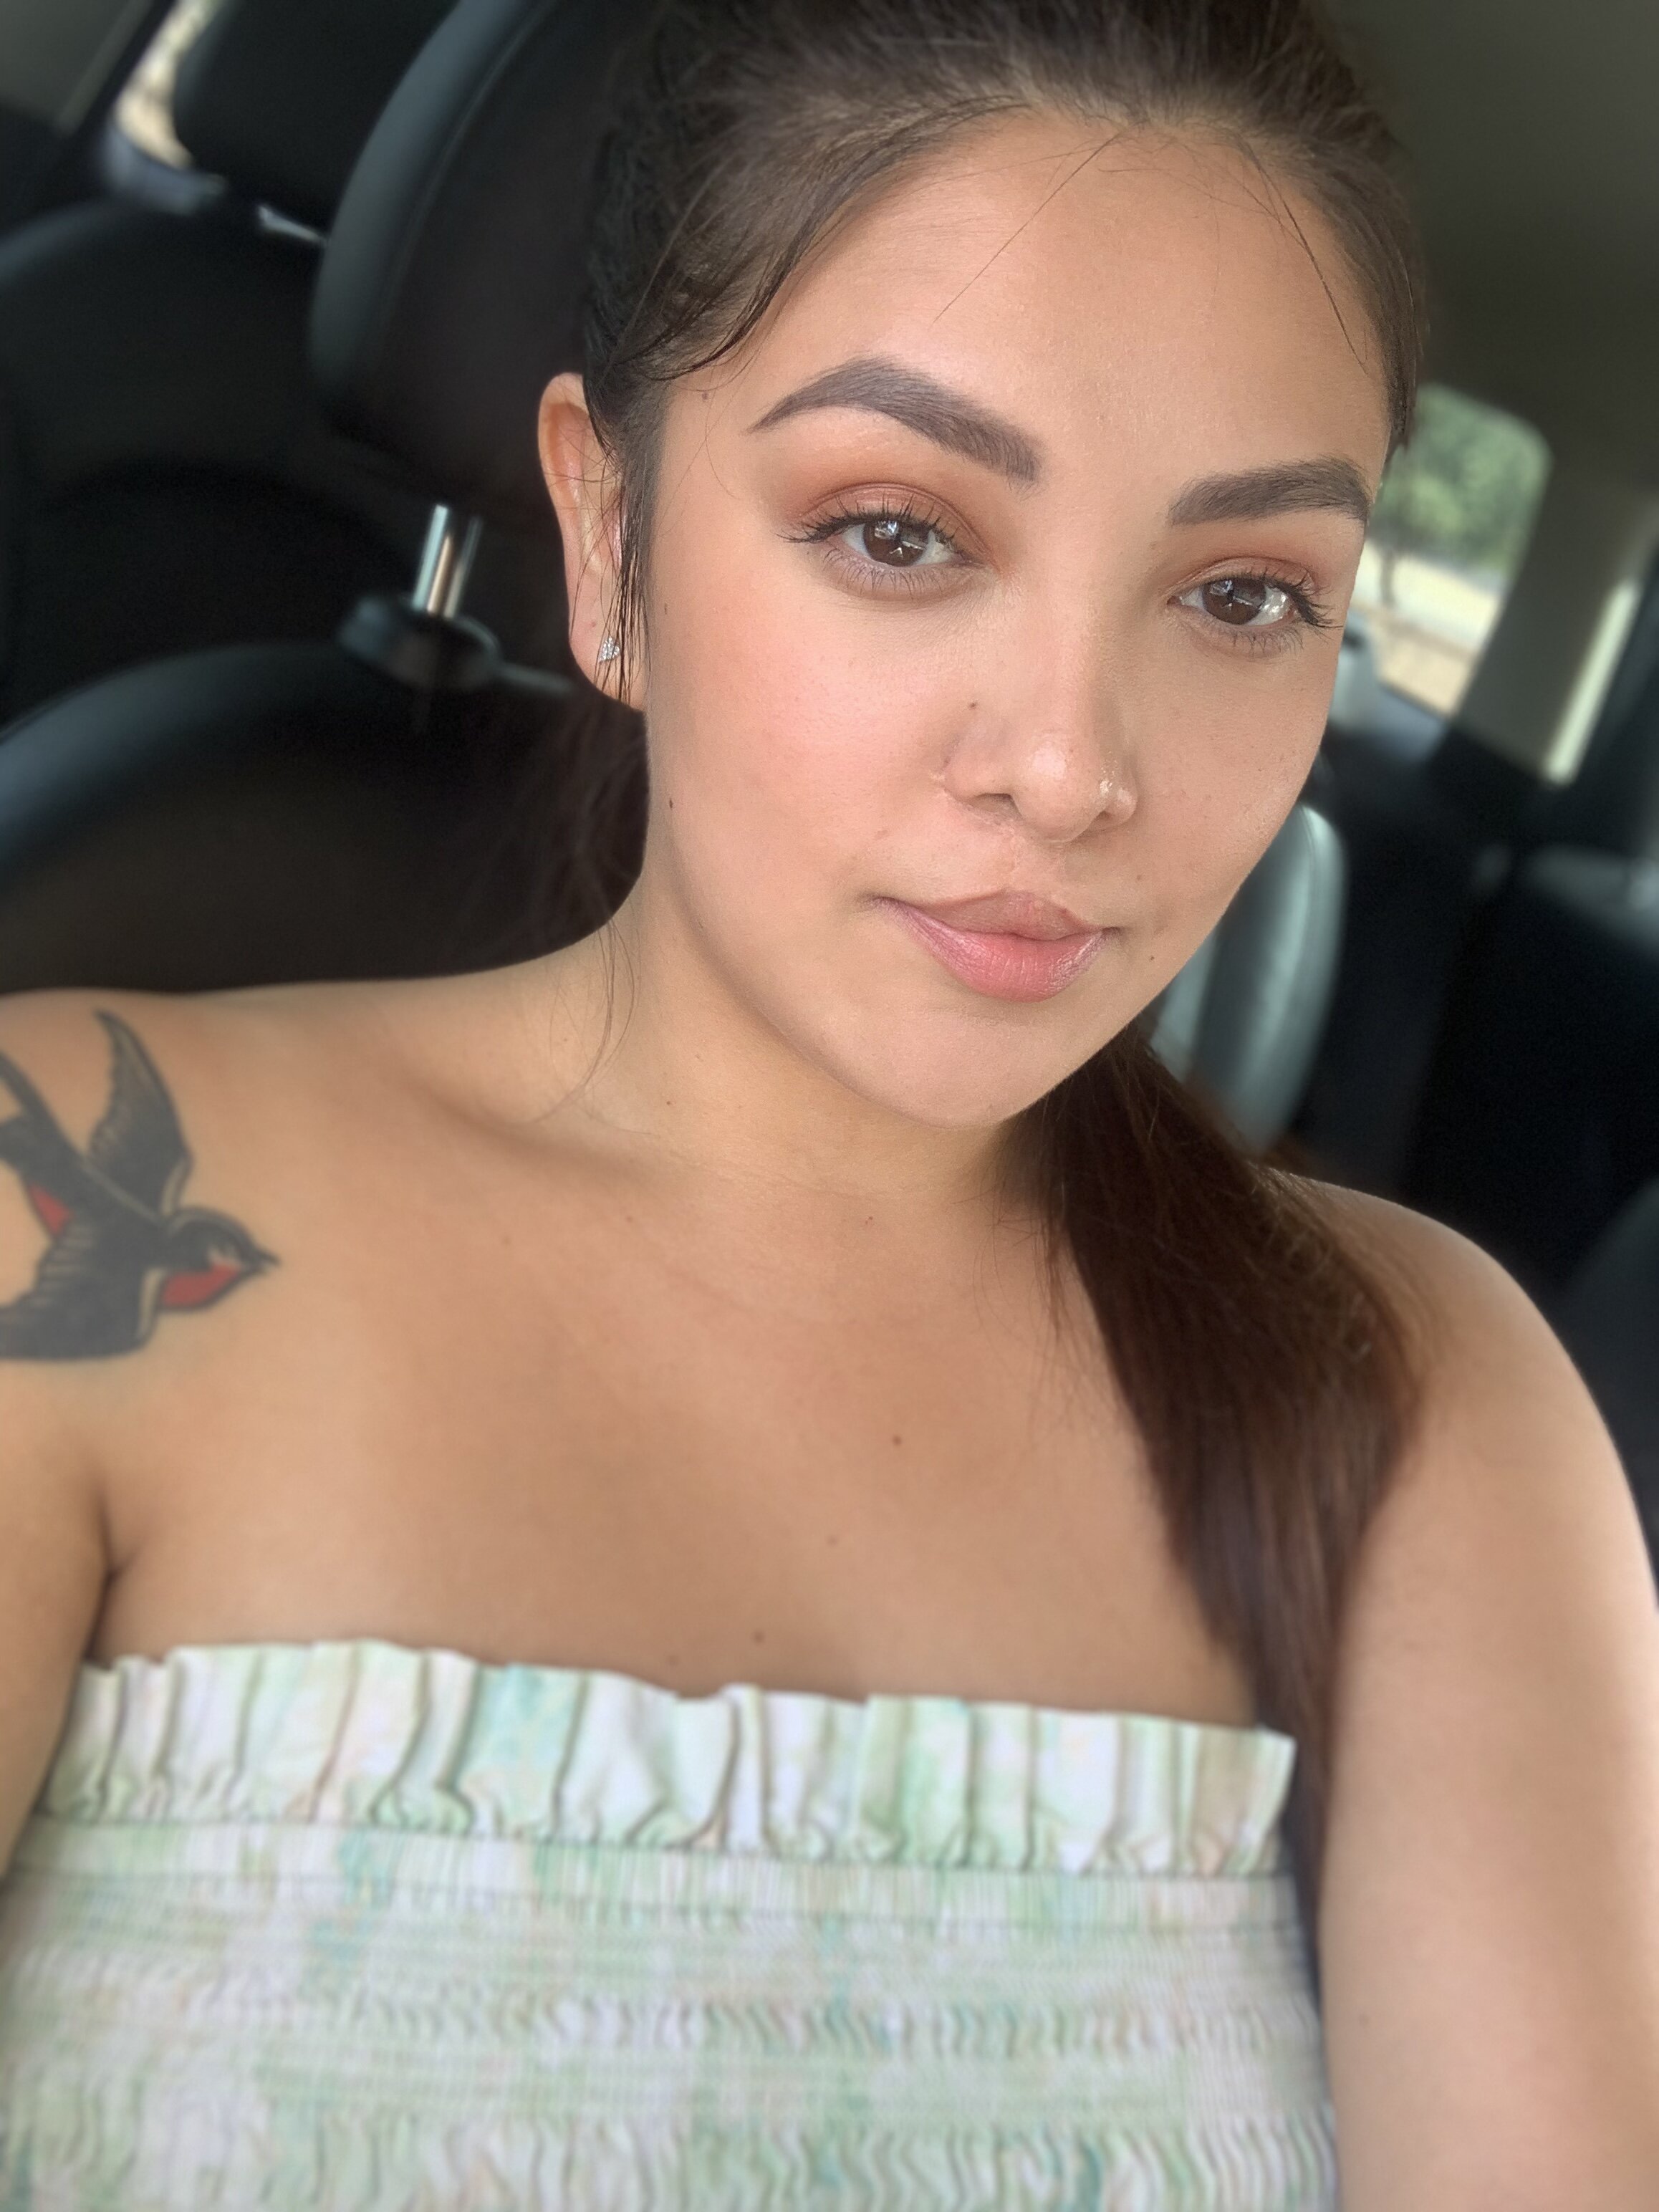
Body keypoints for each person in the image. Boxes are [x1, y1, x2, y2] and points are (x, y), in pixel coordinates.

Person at [1, 0, 1655, 2202]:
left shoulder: (1415, 1401)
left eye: (1243, 594)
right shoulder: (62, 1196)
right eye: (896, 533)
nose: (1068, 767)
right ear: (609, 535)